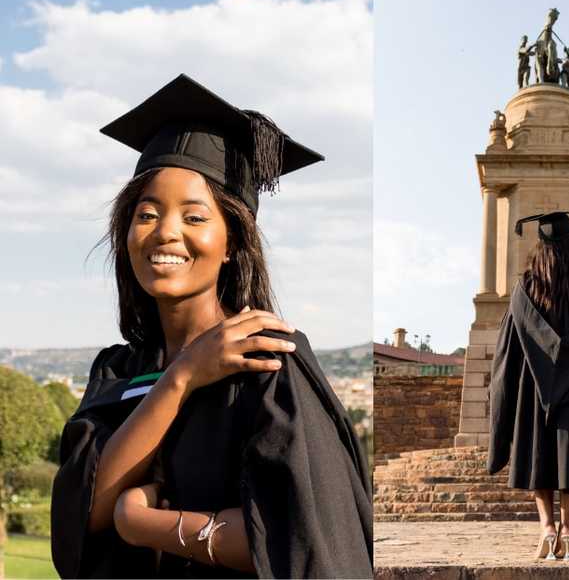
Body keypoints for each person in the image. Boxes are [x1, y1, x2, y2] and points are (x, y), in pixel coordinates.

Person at [50, 74, 374, 578]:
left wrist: (145, 524)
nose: (166, 232)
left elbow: (308, 540)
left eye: (195, 218)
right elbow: (80, 519)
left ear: (233, 244)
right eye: (146, 213)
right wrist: (181, 378)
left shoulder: (267, 359)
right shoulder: (119, 371)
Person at [487, 208, 569, 561]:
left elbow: (508, 349)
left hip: (534, 392)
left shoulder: (525, 287)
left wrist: (504, 394)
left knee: (538, 457)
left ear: (540, 246)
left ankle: (546, 528)